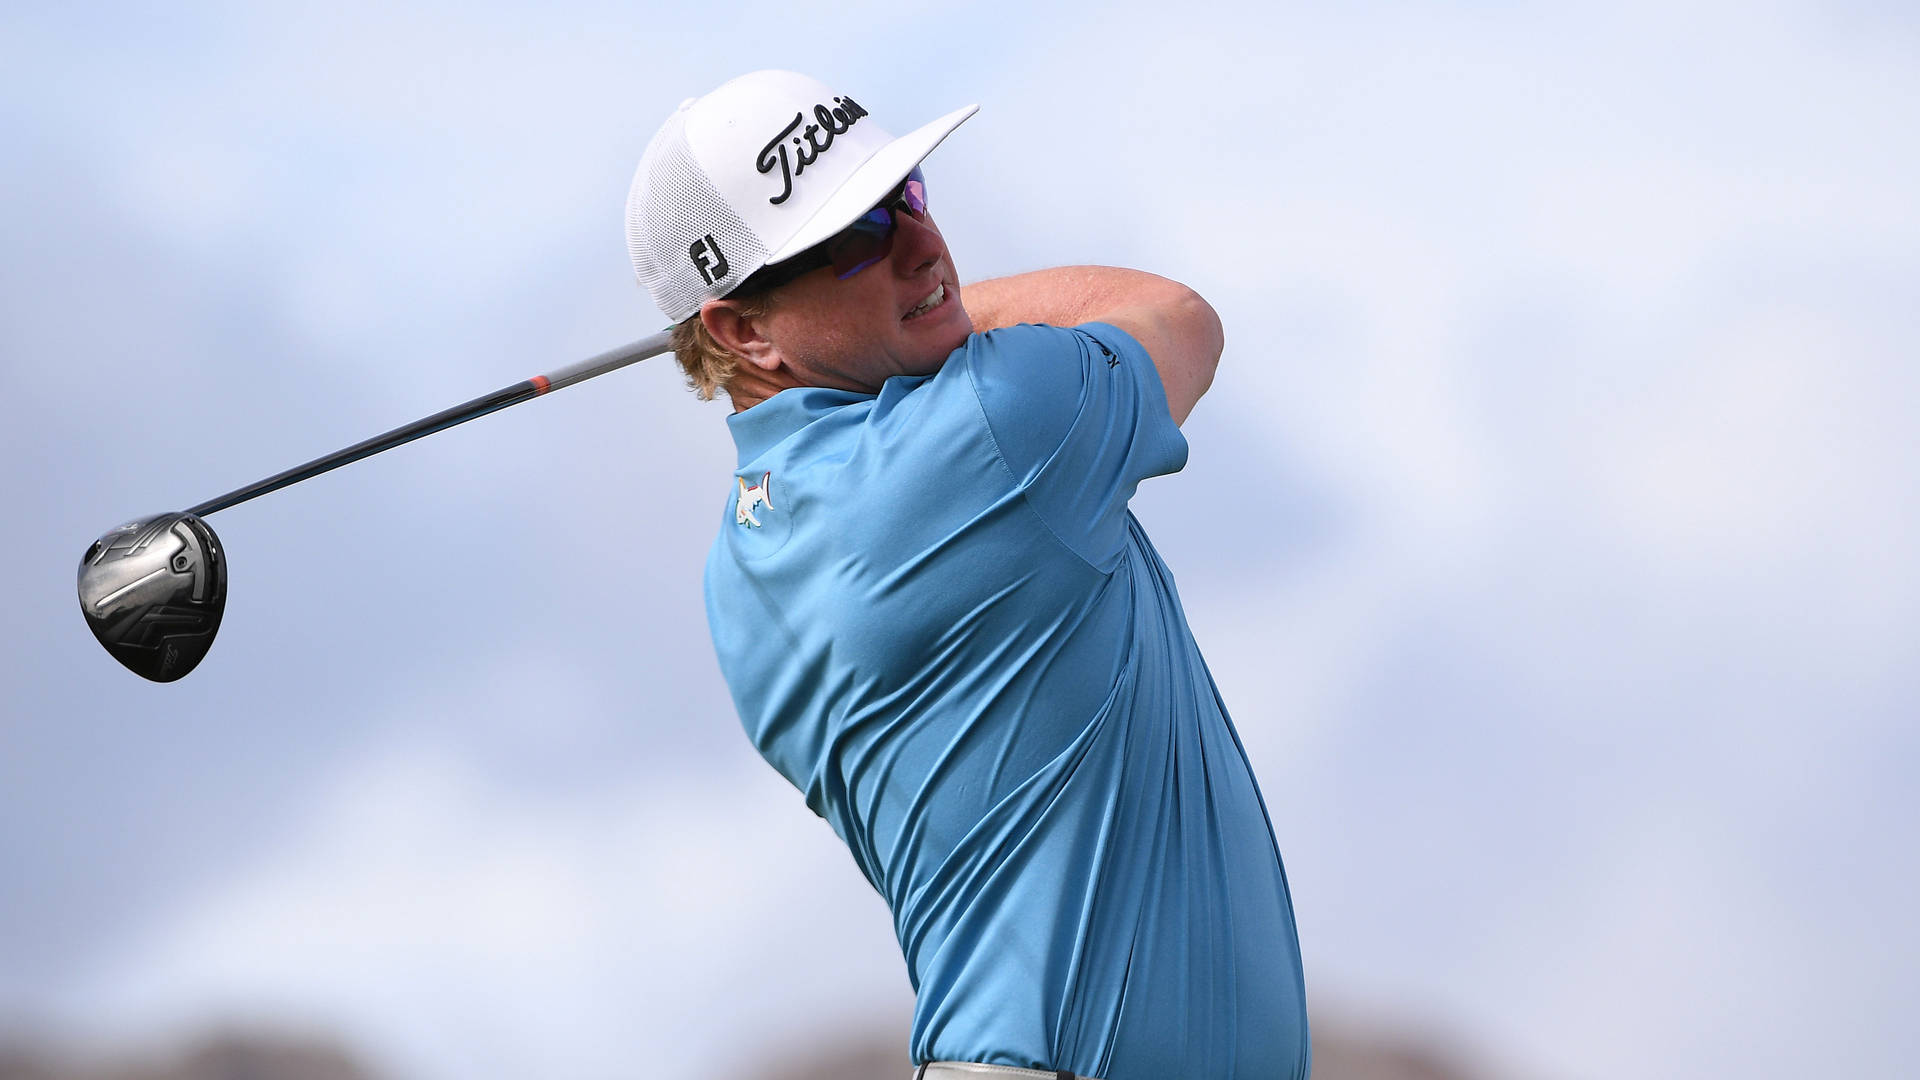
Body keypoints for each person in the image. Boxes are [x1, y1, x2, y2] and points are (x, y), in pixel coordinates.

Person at [624, 70, 1309, 1080]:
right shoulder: (995, 425)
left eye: (905, 194)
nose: (921, 244)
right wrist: (945, 318)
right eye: (853, 236)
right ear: (739, 329)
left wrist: (895, 318)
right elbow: (1177, 315)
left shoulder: (736, 570)